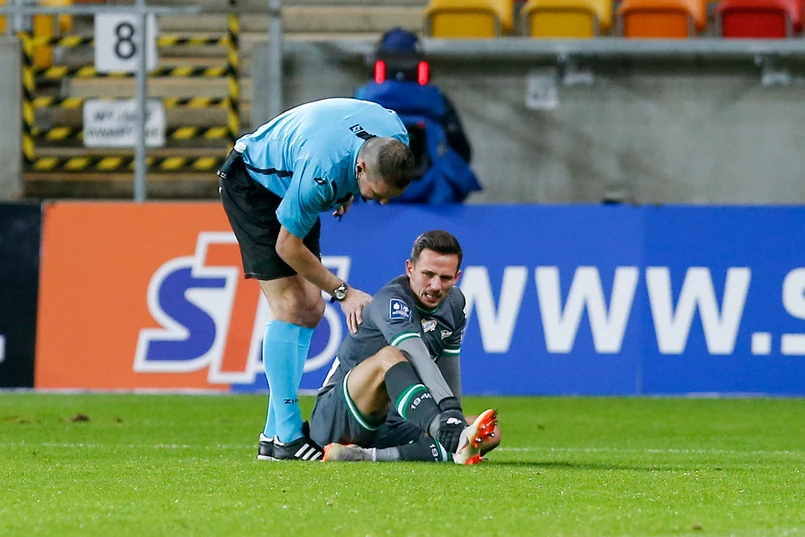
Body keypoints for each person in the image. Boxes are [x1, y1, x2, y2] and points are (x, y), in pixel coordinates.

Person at [218, 97, 416, 461]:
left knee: (310, 309)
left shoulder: (395, 138)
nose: (382, 202)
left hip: (299, 176)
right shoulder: (321, 172)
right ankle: (288, 437)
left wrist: (350, 189)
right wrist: (343, 292)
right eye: (376, 193)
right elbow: (287, 247)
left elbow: (355, 161)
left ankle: (274, 437)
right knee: (290, 306)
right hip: (254, 184)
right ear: (360, 168)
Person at [307, 230, 501, 464]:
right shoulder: (391, 301)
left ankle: (365, 456)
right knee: (391, 356)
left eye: (445, 278)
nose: (436, 285)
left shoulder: (454, 305)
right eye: (428, 274)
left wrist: (454, 419)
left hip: (394, 420)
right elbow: (415, 353)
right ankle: (442, 442)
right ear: (410, 268)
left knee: (488, 432)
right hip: (337, 416)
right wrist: (444, 419)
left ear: (457, 276)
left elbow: (448, 373)